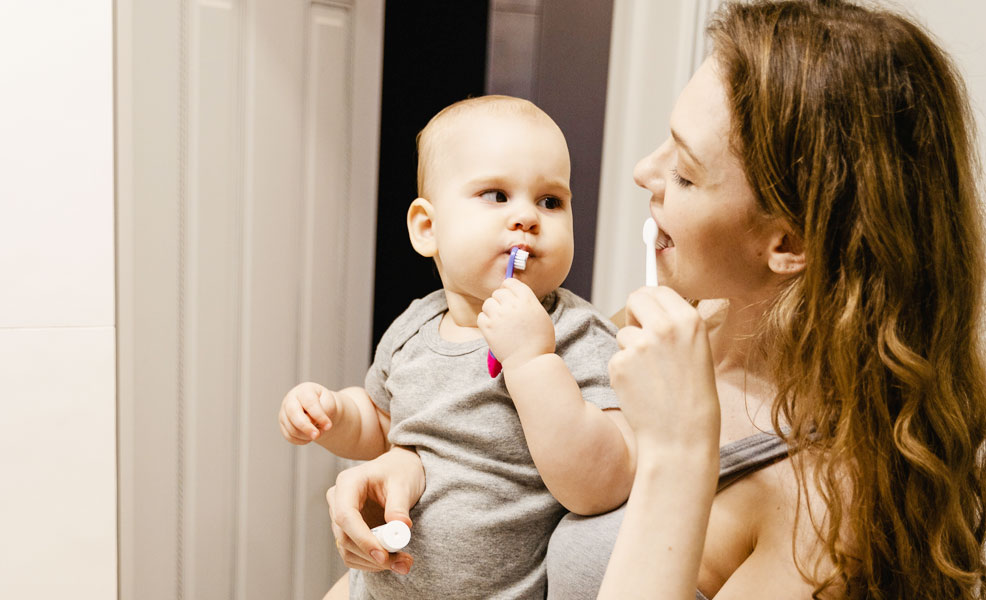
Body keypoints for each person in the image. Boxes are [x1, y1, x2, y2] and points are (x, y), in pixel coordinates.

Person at [325, 1, 986, 599]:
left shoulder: (829, 506)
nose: (645, 172)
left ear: (785, 242)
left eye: (686, 171)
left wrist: (677, 457)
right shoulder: (645, 341)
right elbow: (495, 475)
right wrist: (406, 469)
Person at [278, 95, 636, 599]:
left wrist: (533, 360)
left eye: (551, 201)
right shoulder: (413, 328)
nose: (527, 218)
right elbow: (381, 425)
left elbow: (604, 484)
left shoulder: (578, 333)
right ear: (428, 228)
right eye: (496, 194)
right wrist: (333, 414)